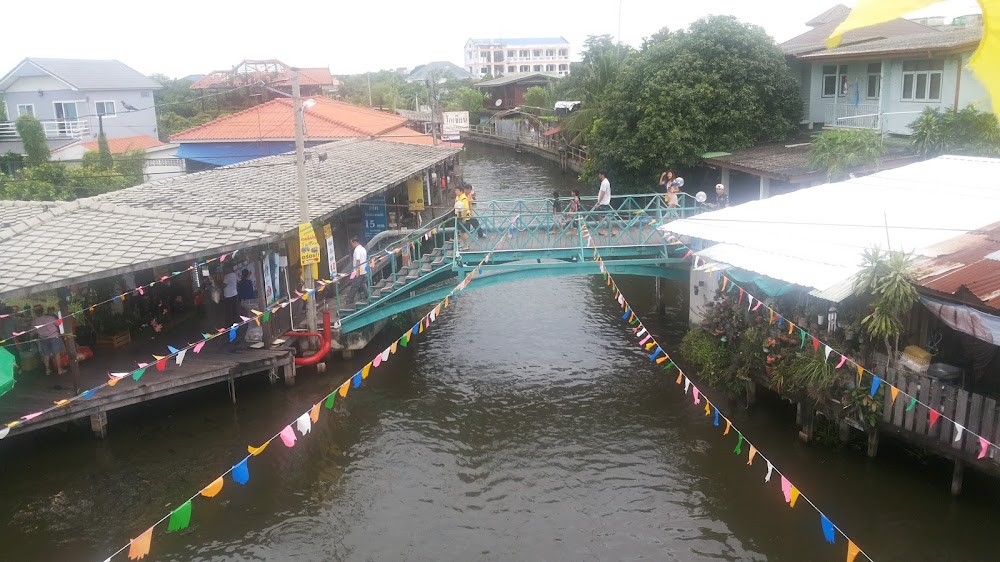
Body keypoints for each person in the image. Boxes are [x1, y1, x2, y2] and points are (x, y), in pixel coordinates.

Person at [32, 305, 65, 376]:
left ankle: (47, 370)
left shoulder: (35, 321)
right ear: (43, 310)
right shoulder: (50, 318)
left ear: (35, 312)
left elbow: (34, 332)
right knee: (57, 353)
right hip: (54, 336)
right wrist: (61, 318)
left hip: (43, 338)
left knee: (46, 354)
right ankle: (59, 369)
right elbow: (59, 323)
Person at [592, 170, 617, 236]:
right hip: (603, 202)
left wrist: (598, 202)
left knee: (606, 217)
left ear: (602, 175)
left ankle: (613, 231)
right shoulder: (605, 182)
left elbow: (603, 193)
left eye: (599, 174)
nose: (598, 176)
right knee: (600, 216)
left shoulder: (604, 183)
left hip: (603, 203)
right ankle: (601, 230)